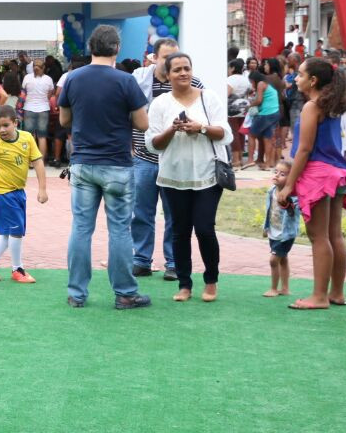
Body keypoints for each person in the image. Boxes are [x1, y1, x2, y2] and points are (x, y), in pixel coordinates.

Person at [59, 25, 151, 310]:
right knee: (120, 230)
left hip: (83, 162)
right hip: (117, 164)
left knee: (81, 228)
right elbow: (142, 123)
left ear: (91, 47)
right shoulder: (125, 80)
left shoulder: (73, 78)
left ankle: (76, 293)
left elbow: (64, 120)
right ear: (117, 48)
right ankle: (125, 293)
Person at [145, 52, 231, 303]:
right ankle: (184, 284)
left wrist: (200, 128)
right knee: (180, 231)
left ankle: (211, 281)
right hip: (173, 177)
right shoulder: (160, 103)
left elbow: (225, 134)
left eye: (187, 68)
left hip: (208, 175)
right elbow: (152, 144)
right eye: (177, 69)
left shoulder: (208, 97)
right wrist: (172, 129)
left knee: (204, 229)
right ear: (168, 74)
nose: (183, 73)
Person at [278, 57, 346, 311]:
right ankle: (336, 292)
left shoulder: (312, 106)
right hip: (337, 172)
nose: (295, 78)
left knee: (318, 237)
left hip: (318, 175)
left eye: (300, 74)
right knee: (334, 235)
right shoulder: (331, 104)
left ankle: (319, 296)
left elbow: (304, 149)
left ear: (313, 80)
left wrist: (289, 184)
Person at [130, 38, 201, 280]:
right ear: (154, 58)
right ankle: (141, 259)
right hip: (144, 158)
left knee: (176, 213)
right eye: (166, 57)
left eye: (176, 56)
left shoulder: (193, 83)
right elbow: (126, 111)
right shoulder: (139, 81)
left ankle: (174, 262)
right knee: (141, 211)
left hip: (176, 159)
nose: (173, 62)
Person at [0, 104, 47, 283]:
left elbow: (38, 162)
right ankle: (18, 270)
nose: (1, 130)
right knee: (16, 232)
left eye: (5, 125)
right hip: (2, 194)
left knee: (8, 232)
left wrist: (42, 189)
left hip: (18, 193)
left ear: (15, 123)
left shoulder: (27, 138)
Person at [263, 160, 300, 298]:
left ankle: (273, 289)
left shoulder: (293, 196)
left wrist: (288, 205)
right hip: (274, 231)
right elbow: (269, 211)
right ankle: (285, 288)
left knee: (273, 260)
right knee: (283, 259)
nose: (277, 175)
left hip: (286, 234)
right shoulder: (271, 191)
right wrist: (266, 227)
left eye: (282, 174)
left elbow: (294, 213)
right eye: (276, 172)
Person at [20, 59, 54, 153]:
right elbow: (50, 93)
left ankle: (31, 159)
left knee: (30, 136)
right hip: (44, 109)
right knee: (42, 137)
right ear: (44, 68)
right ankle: (42, 159)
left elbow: (23, 92)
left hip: (29, 109)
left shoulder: (27, 77)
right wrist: (44, 100)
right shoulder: (48, 79)